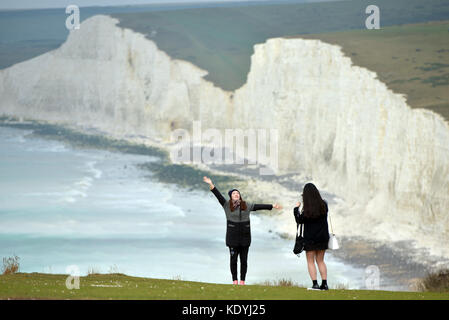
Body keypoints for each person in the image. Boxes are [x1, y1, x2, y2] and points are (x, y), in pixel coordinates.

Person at [203, 176, 282, 285]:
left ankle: (242, 281)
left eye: (238, 193)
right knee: (233, 260)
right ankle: (234, 280)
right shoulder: (226, 205)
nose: (236, 194)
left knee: (244, 261)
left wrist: (272, 206)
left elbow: (258, 206)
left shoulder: (246, 205)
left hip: (245, 238)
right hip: (232, 239)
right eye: (234, 193)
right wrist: (211, 184)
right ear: (231, 196)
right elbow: (218, 195)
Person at [293, 183, 330, 291]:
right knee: (321, 261)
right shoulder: (324, 205)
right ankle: (325, 284)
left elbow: (299, 220)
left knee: (310, 261)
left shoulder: (307, 209)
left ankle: (315, 284)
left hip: (310, 239)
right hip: (323, 237)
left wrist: (296, 209)